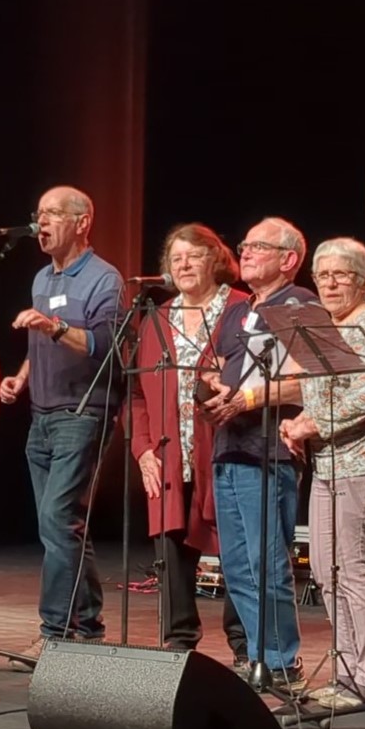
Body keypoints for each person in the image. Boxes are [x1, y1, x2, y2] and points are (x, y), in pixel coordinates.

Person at [0, 185, 122, 666]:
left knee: (56, 519)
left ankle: (55, 631)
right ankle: (87, 626)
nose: (40, 223)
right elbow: (37, 343)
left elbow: (105, 345)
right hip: (42, 414)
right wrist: (21, 379)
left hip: (83, 413)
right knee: (65, 527)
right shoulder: (40, 279)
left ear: (82, 221)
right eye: (38, 213)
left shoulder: (103, 279)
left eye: (51, 214)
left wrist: (54, 328)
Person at [279, 237, 365, 708]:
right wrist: (298, 423)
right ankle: (347, 671)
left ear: (363, 280)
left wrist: (310, 424)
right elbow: (322, 397)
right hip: (327, 462)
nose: (328, 282)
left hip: (363, 463)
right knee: (326, 572)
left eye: (340, 274)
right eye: (322, 274)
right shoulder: (323, 328)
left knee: (354, 572)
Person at [201, 216, 316, 690]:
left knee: (266, 561)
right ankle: (257, 658)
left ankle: (282, 662)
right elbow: (215, 364)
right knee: (236, 566)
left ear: (288, 260)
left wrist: (246, 398)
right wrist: (212, 384)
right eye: (244, 244)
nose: (244, 252)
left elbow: (312, 378)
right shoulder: (237, 309)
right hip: (229, 446)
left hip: (270, 450)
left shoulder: (299, 303)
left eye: (258, 247)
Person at [129, 222, 248, 663]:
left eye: (193, 256)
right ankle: (178, 642)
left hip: (226, 451)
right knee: (170, 546)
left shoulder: (240, 309)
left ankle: (244, 644)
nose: (182, 264)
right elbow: (137, 393)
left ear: (215, 259)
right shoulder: (157, 318)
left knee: (236, 548)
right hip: (166, 452)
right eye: (175, 258)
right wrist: (142, 451)